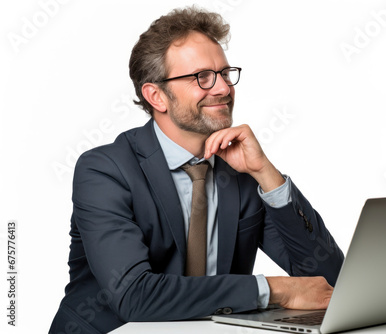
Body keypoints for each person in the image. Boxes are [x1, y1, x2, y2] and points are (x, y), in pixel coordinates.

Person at [49, 6, 344, 334]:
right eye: (202, 77)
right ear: (156, 96)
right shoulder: (105, 171)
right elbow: (134, 296)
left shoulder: (241, 170)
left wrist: (266, 174)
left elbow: (330, 283)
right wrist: (276, 290)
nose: (223, 89)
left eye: (225, 73)